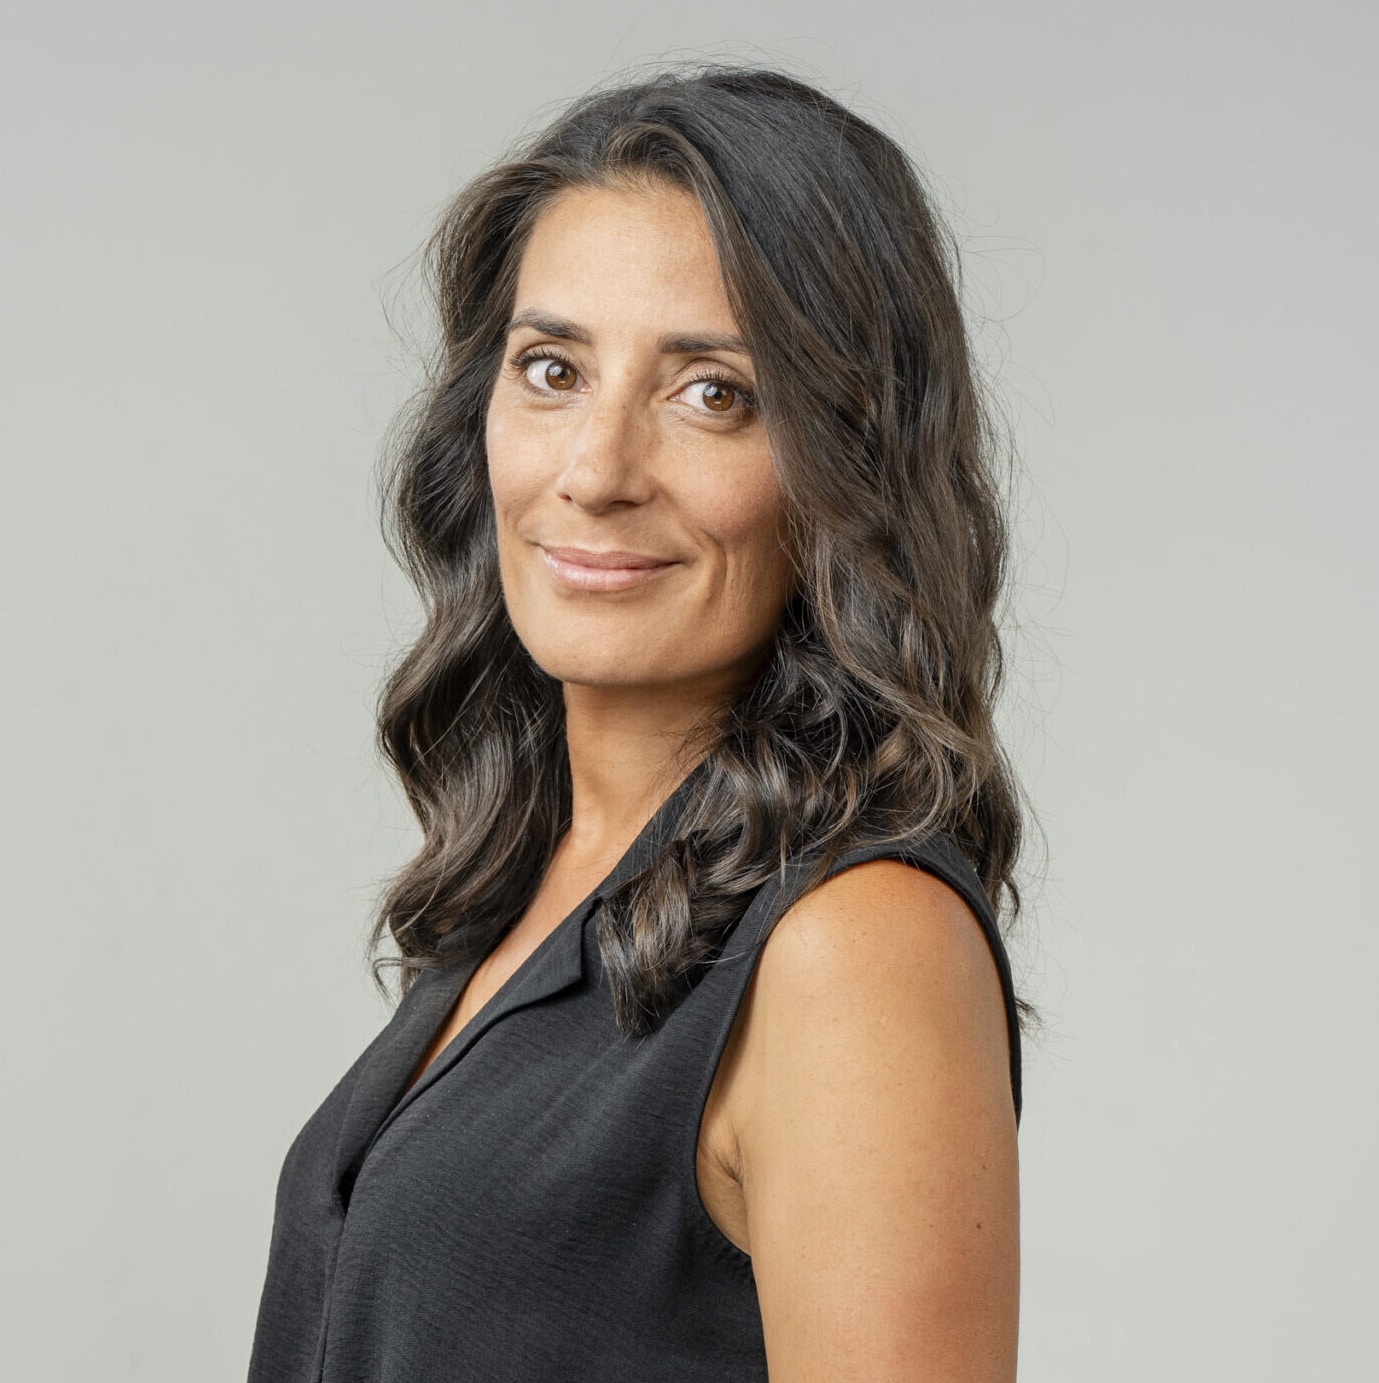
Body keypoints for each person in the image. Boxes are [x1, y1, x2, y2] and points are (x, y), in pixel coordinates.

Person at [248, 65, 1029, 1383]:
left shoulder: (855, 948)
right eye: (551, 370)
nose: (597, 470)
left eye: (713, 392)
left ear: (848, 462)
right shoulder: (538, 887)